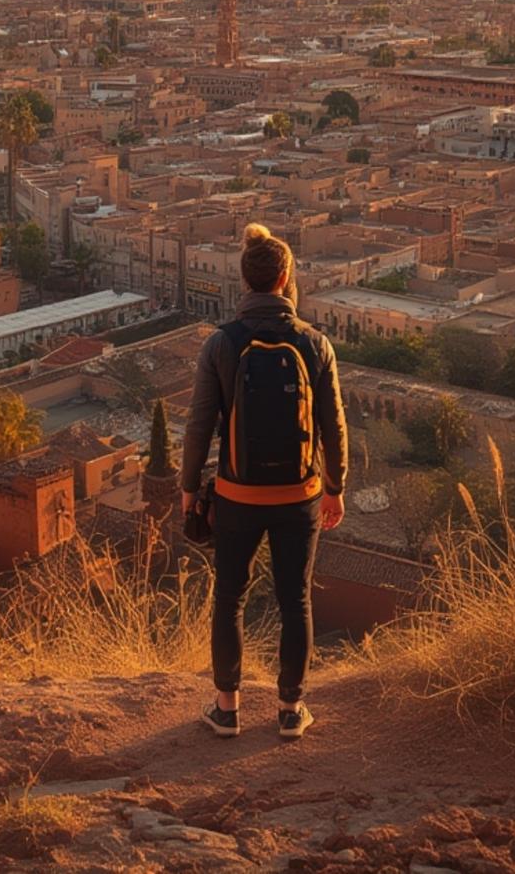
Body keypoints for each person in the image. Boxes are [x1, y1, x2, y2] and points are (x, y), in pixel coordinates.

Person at [182, 223, 348, 740]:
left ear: (246, 281)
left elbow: (199, 423)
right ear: (284, 278)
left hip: (236, 495)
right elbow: (333, 424)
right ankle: (290, 710)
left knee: (229, 596)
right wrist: (336, 486)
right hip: (299, 495)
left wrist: (190, 489)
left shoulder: (221, 344)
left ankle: (227, 708)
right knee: (295, 599)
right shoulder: (315, 343)